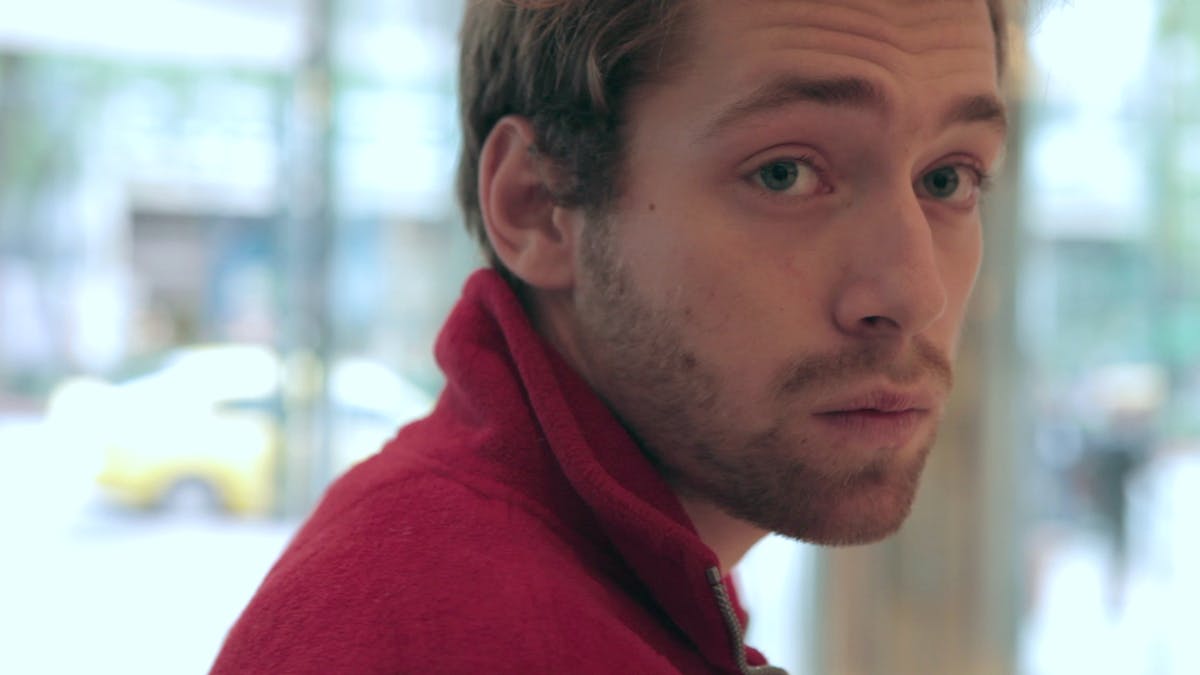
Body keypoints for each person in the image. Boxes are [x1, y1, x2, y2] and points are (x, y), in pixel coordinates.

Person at [213, 0, 1010, 672]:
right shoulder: (442, 633)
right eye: (785, 172)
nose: (915, 292)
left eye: (949, 178)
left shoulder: (621, 579)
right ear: (536, 204)